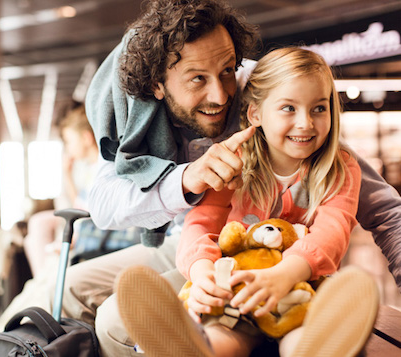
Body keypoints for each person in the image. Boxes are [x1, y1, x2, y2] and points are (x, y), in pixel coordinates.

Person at [60, 0, 401, 356]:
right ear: (157, 85)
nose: (222, 95)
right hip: (226, 270)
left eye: (227, 71)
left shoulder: (327, 155)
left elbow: (360, 221)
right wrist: (202, 265)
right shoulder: (229, 157)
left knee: (303, 339)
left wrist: (287, 272)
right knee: (203, 333)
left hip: (299, 282)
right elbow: (195, 221)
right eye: (197, 79)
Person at [116, 47, 379, 357]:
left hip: (299, 290)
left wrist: (286, 274)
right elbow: (202, 223)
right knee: (220, 334)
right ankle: (196, 347)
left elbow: (332, 232)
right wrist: (202, 274)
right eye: (288, 108)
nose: (306, 122)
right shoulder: (235, 161)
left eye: (319, 108)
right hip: (236, 289)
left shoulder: (340, 167)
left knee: (301, 337)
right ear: (256, 114)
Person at [23, 105, 99, 277]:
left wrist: (77, 240)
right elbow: (80, 205)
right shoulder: (89, 169)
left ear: (86, 138)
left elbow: (91, 215)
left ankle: (44, 285)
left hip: (87, 236)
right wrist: (67, 174)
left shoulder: (100, 171)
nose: (68, 148)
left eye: (69, 141)